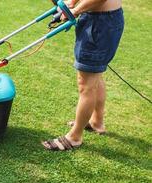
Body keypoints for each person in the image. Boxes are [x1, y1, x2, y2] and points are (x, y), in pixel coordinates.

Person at [42, 0, 124, 151]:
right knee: (95, 76)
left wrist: (75, 10)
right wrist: (73, 2)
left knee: (86, 83)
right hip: (101, 19)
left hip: (100, 22)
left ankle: (74, 137)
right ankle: (96, 121)